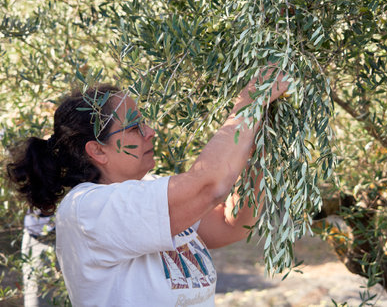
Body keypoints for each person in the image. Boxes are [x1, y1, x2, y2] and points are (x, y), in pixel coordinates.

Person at [7, 66, 290, 306]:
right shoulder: (88, 209)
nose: (150, 132)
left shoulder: (149, 189)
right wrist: (251, 101)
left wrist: (262, 150)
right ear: (98, 151)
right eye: (134, 127)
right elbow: (209, 185)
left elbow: (232, 223)